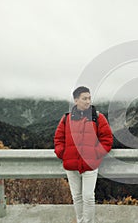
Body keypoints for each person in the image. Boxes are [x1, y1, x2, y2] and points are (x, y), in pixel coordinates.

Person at [54, 86, 113, 223]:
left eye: (89, 98)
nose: (88, 101)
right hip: (71, 164)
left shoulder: (97, 117)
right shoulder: (66, 118)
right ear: (76, 100)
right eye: (84, 98)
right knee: (77, 197)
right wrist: (63, 153)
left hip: (90, 164)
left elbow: (107, 140)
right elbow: (58, 139)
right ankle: (80, 221)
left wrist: (95, 154)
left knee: (88, 197)